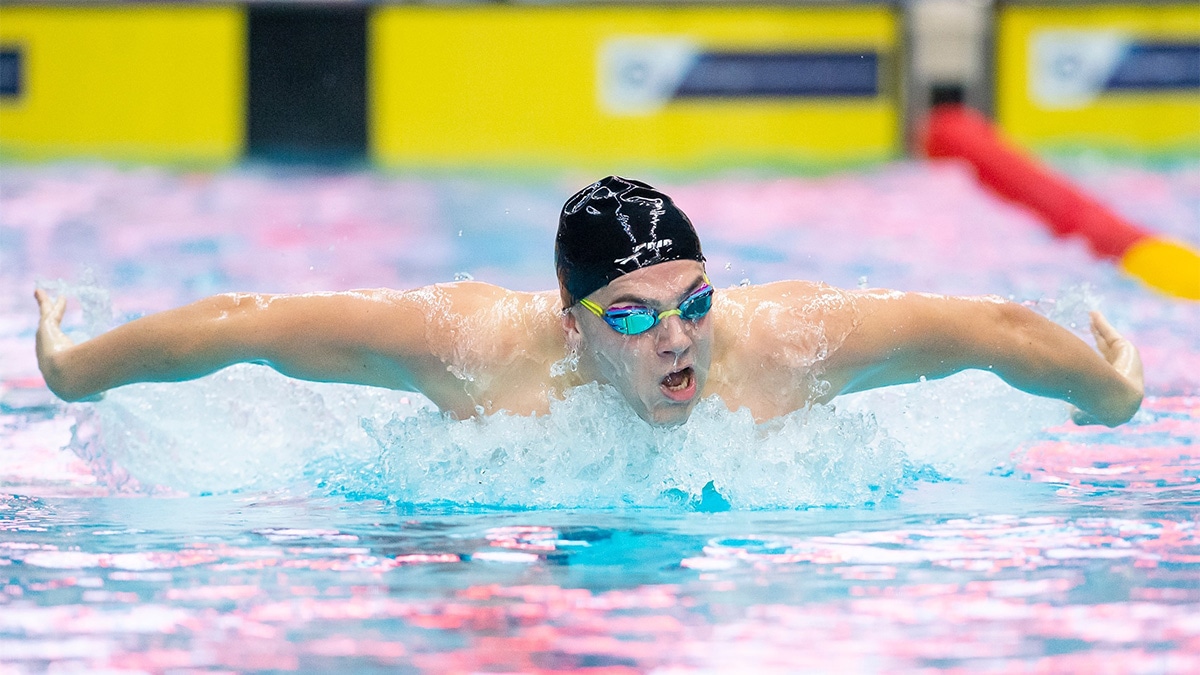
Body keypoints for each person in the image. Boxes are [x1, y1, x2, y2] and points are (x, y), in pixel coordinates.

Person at [34, 176, 1144, 427]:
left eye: (693, 303)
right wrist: (72, 369)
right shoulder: (475, 347)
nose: (675, 341)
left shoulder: (788, 343)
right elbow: (247, 327)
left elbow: (991, 332)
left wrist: (1112, 399)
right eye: (630, 314)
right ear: (570, 320)